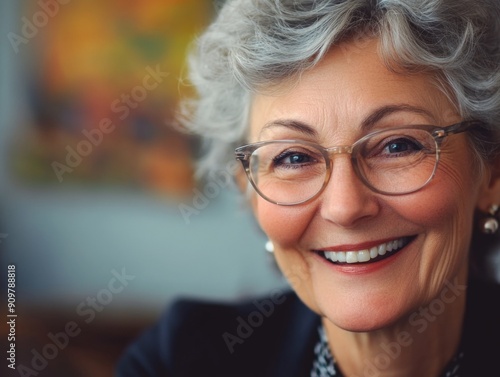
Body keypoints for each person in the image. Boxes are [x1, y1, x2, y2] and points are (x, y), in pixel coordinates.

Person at [116, 0, 500, 376]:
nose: (345, 207)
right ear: (250, 192)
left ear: (491, 175)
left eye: (398, 146)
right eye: (294, 158)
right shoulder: (178, 360)